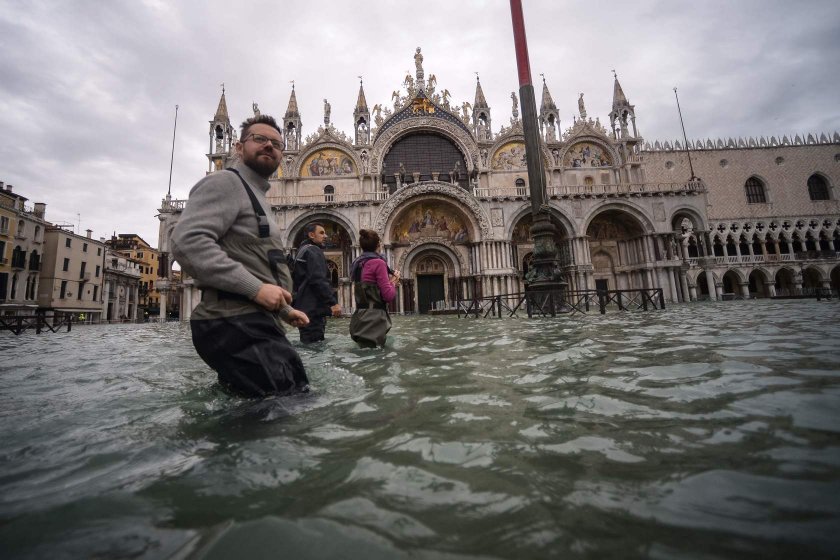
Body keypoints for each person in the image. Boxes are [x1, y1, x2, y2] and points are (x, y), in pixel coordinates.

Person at [171, 114, 310, 397]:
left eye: (276, 143)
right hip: (235, 322)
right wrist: (256, 289)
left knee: (277, 403)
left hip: (251, 321)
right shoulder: (226, 182)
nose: (269, 146)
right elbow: (186, 242)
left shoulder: (256, 195)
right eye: (259, 139)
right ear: (238, 147)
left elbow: (257, 262)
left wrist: (284, 310)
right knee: (283, 409)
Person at [348, 229, 399, 348]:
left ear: (361, 247)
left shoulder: (358, 263)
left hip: (359, 318)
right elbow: (388, 296)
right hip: (374, 321)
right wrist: (394, 282)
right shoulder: (378, 263)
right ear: (378, 245)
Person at [292, 222, 341, 343]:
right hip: (313, 310)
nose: (325, 236)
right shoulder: (313, 251)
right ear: (311, 235)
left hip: (303, 308)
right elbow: (318, 279)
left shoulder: (302, 250)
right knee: (315, 347)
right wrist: (333, 302)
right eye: (321, 233)